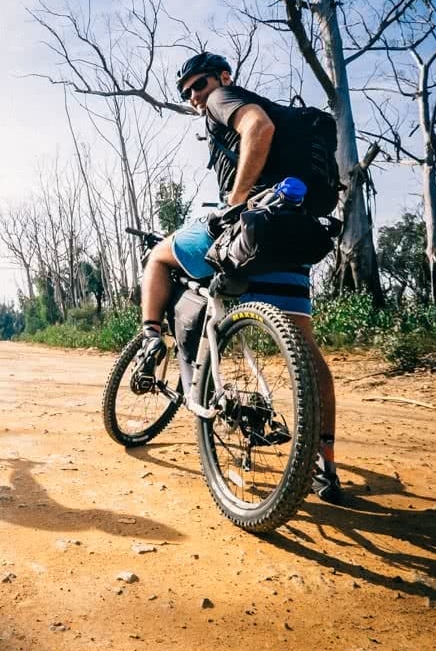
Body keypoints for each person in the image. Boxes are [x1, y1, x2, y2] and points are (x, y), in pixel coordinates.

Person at [137, 51, 343, 503]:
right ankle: (325, 463)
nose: (195, 96)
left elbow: (258, 128)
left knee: (158, 256)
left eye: (200, 84)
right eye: (187, 91)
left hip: (249, 230)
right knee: (305, 351)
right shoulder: (257, 113)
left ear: (223, 77)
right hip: (288, 232)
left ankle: (151, 334)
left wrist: (236, 202)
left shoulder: (224, 100)